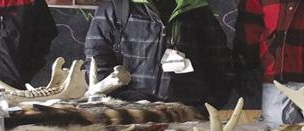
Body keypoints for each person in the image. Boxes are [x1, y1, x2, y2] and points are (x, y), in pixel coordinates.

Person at [85, 0, 235, 107]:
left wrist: (208, 107)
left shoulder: (198, 11)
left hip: (185, 115)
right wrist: (113, 101)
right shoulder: (115, 7)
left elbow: (220, 65)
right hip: (126, 113)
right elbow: (96, 57)